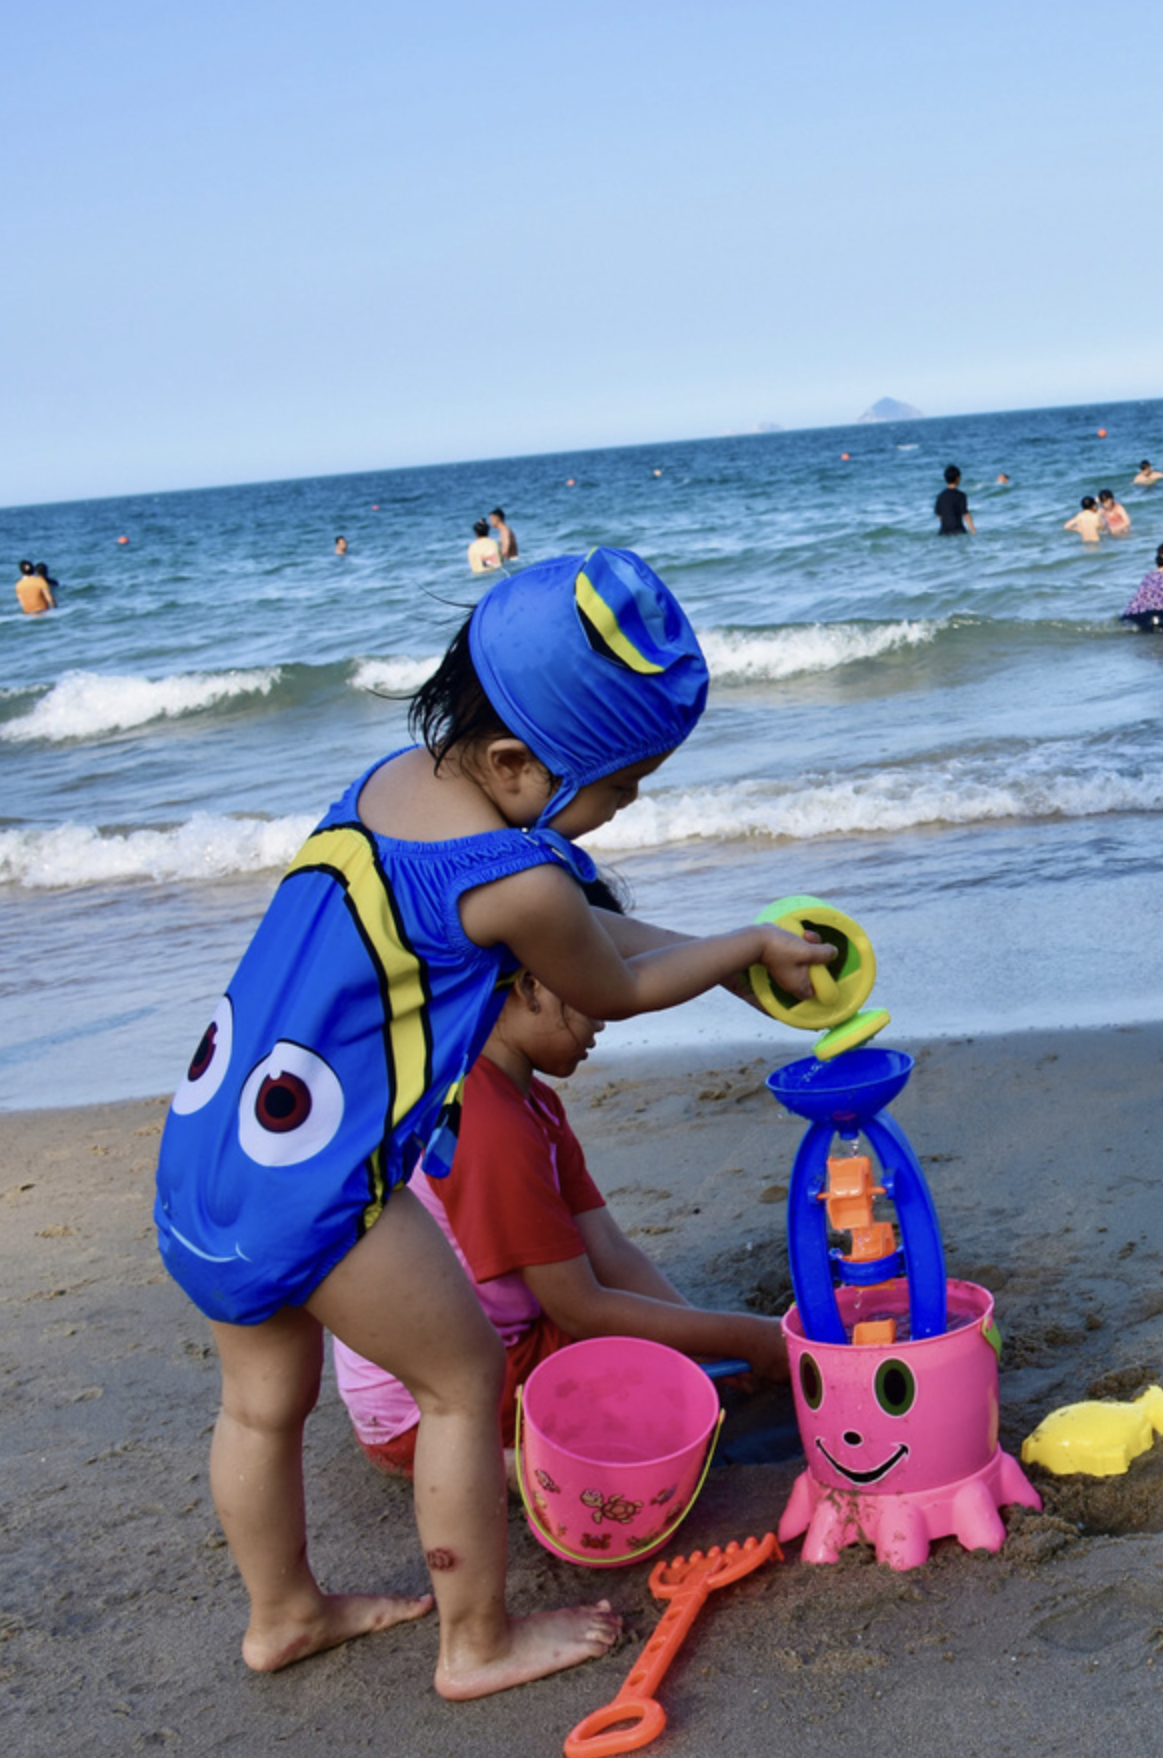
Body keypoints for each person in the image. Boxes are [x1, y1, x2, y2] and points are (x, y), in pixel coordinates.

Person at [149, 549, 836, 1699]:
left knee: (261, 1406)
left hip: (213, 1146)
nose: (624, 809)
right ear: (519, 762)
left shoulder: (393, 784)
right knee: (463, 1383)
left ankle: (283, 1616)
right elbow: (605, 981)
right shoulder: (519, 883)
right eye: (619, 787)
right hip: (332, 1189)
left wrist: (718, 952)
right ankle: (475, 1641)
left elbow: (581, 932)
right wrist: (742, 953)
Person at [331, 900, 788, 1481]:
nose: (604, 1016)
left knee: (691, 1364)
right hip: (434, 1400)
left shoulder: (532, 1101)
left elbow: (611, 1252)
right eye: (590, 989)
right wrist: (748, 1337)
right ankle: (495, 1466)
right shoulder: (487, 1118)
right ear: (529, 987)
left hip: (502, 1343)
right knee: (675, 1405)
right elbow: (581, 1306)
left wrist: (717, 1341)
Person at [934, 465, 974, 536]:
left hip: (944, 532)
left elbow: (939, 515)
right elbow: (966, 514)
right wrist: (973, 531)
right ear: (957, 478)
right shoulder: (961, 495)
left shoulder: (940, 496)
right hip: (958, 530)